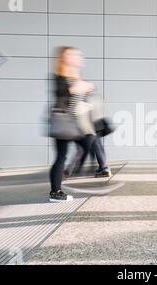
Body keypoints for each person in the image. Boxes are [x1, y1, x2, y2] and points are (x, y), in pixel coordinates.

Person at [49, 46, 95, 202]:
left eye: (77, 55)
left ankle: (70, 170)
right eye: (71, 56)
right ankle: (55, 191)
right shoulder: (58, 76)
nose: (75, 58)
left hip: (77, 122)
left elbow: (80, 100)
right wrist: (77, 88)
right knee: (61, 156)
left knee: (89, 140)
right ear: (63, 59)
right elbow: (61, 94)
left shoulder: (77, 77)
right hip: (63, 121)